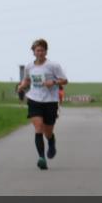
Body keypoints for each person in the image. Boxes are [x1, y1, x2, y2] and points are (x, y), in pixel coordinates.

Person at [16, 39, 68, 170]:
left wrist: (53, 82)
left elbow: (65, 80)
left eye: (42, 50)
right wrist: (22, 86)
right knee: (38, 127)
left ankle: (51, 141)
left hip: (50, 101)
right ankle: (41, 158)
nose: (40, 53)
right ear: (33, 52)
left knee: (48, 131)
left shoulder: (53, 66)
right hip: (34, 100)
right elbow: (27, 80)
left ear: (46, 51)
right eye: (37, 50)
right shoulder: (29, 67)